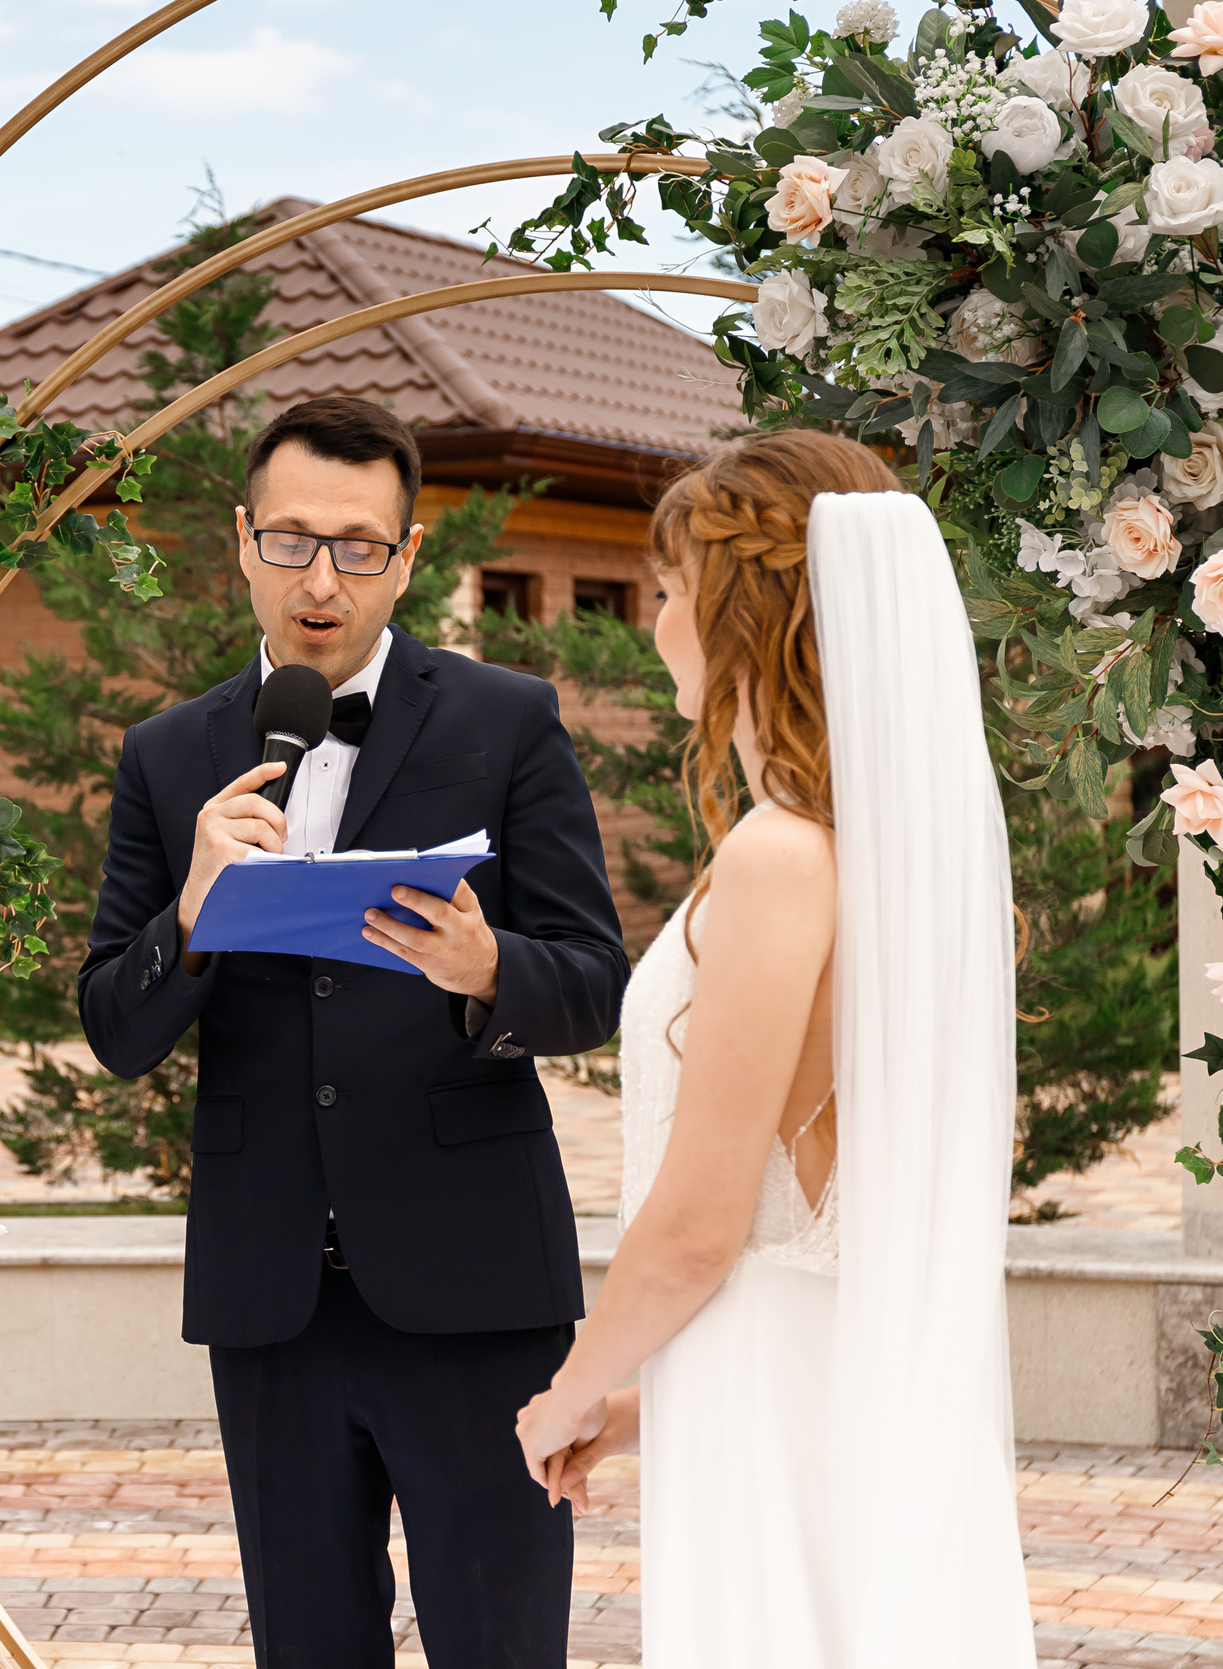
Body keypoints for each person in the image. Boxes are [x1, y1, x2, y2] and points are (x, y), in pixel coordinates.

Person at [78, 395, 629, 1667]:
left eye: (357, 547)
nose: (320, 580)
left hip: (474, 1287)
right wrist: (194, 912)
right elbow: (115, 1025)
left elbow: (594, 979)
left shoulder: (505, 718)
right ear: (240, 542)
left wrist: (490, 968)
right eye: (289, 541)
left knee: (500, 1645)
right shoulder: (169, 757)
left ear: (410, 554)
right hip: (269, 1294)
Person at [514, 431, 1036, 1665]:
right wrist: (646, 1407)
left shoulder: (778, 857)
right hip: (829, 1395)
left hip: (776, 1416)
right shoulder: (894, 865)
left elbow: (700, 1226)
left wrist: (572, 1388)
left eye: (667, 591)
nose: (654, 624)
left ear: (740, 617)